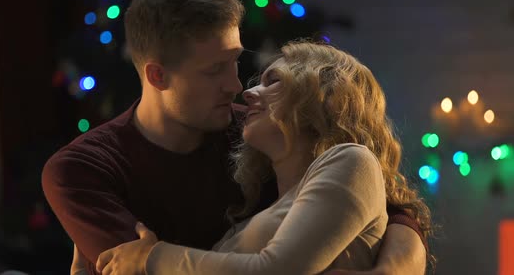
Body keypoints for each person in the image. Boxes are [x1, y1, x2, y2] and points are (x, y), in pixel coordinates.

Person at [41, 0, 429, 275]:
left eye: (234, 62)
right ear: (158, 76)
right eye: (214, 71)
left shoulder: (267, 131)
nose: (236, 86)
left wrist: (395, 266)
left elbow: (387, 201)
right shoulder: (83, 170)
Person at [91, 39, 435, 275]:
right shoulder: (259, 211)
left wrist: (152, 258)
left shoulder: (351, 160)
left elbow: (275, 270)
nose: (248, 92)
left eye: (274, 82)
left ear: (322, 98)